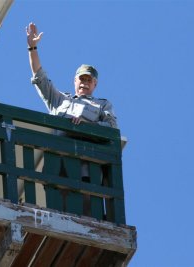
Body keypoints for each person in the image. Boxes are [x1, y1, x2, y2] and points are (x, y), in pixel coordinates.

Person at [26, 22, 118, 216]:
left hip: (86, 169)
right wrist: (32, 47)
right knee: (57, 210)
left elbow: (111, 129)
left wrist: (86, 125)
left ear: (95, 84)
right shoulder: (60, 100)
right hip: (58, 166)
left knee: (86, 212)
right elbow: (39, 77)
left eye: (89, 80)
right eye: (81, 79)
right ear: (75, 81)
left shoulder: (102, 105)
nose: (85, 83)